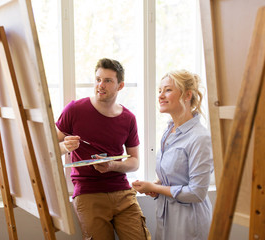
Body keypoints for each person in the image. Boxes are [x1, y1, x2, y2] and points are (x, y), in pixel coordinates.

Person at [56, 58, 151, 240]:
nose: (101, 85)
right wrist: (64, 146)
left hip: (123, 193)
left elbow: (135, 161)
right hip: (88, 192)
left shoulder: (128, 118)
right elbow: (47, 147)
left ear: (120, 86)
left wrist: (113, 166)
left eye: (108, 81)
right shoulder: (74, 110)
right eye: (98, 79)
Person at [132, 69, 213, 240]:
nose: (160, 95)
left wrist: (155, 188)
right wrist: (158, 185)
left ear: (187, 95)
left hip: (190, 223)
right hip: (166, 217)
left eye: (167, 90)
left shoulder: (200, 137)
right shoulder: (169, 131)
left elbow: (197, 193)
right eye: (159, 91)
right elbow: (177, 174)